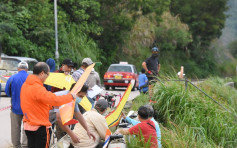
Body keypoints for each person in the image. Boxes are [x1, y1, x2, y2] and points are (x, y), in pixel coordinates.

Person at [20, 62, 76, 148]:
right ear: (42, 73)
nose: (47, 77)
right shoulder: (38, 88)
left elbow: (36, 103)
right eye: (48, 74)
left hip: (28, 125)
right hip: (39, 127)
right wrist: (70, 97)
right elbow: (55, 99)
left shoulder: (25, 85)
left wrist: (51, 106)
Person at [5, 62, 29, 148]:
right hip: (28, 109)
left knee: (15, 128)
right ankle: (25, 145)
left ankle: (16, 145)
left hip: (15, 108)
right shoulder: (30, 78)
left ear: (18, 69)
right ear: (27, 69)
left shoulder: (12, 78)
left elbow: (7, 92)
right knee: (27, 127)